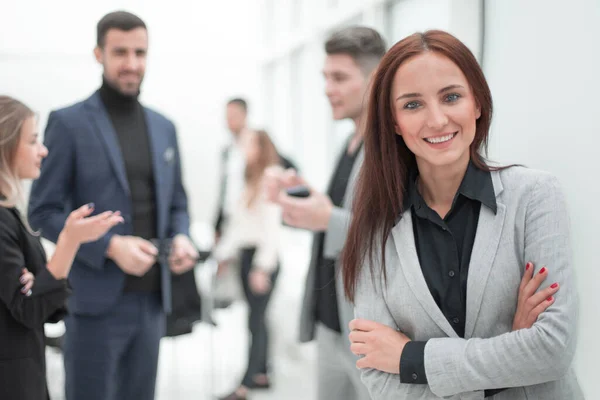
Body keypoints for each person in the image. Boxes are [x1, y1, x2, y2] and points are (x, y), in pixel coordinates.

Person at [342, 30, 583, 399]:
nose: (437, 120)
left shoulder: (535, 196)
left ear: (477, 104)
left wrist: (410, 358)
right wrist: (510, 352)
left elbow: (552, 349)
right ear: (393, 122)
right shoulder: (374, 226)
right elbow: (378, 376)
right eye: (412, 105)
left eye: (451, 97)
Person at [27, 11, 198, 400]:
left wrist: (183, 236)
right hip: (95, 304)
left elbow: (177, 203)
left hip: (153, 301)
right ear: (98, 54)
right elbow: (42, 212)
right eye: (120, 52)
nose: (132, 63)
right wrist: (110, 246)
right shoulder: (69, 123)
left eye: (140, 52)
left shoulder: (164, 126)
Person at [264, 26, 386, 400]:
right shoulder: (350, 142)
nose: (328, 89)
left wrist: (327, 218)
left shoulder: (391, 153)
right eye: (326, 77)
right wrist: (300, 197)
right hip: (332, 323)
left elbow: (395, 239)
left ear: (375, 78)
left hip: (368, 332)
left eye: (340, 78)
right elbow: (339, 215)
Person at [0, 95, 123, 400]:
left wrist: (38, 282)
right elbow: (29, 308)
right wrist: (69, 242)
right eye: (32, 141)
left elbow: (36, 301)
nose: (43, 151)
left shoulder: (10, 214)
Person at [214, 130, 282, 400]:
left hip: (260, 260)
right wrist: (222, 255)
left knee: (256, 321)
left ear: (261, 146)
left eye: (248, 142)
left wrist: (262, 267)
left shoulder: (271, 175)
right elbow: (239, 227)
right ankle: (262, 374)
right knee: (256, 320)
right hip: (246, 257)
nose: (243, 147)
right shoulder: (249, 179)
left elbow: (272, 228)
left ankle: (245, 385)